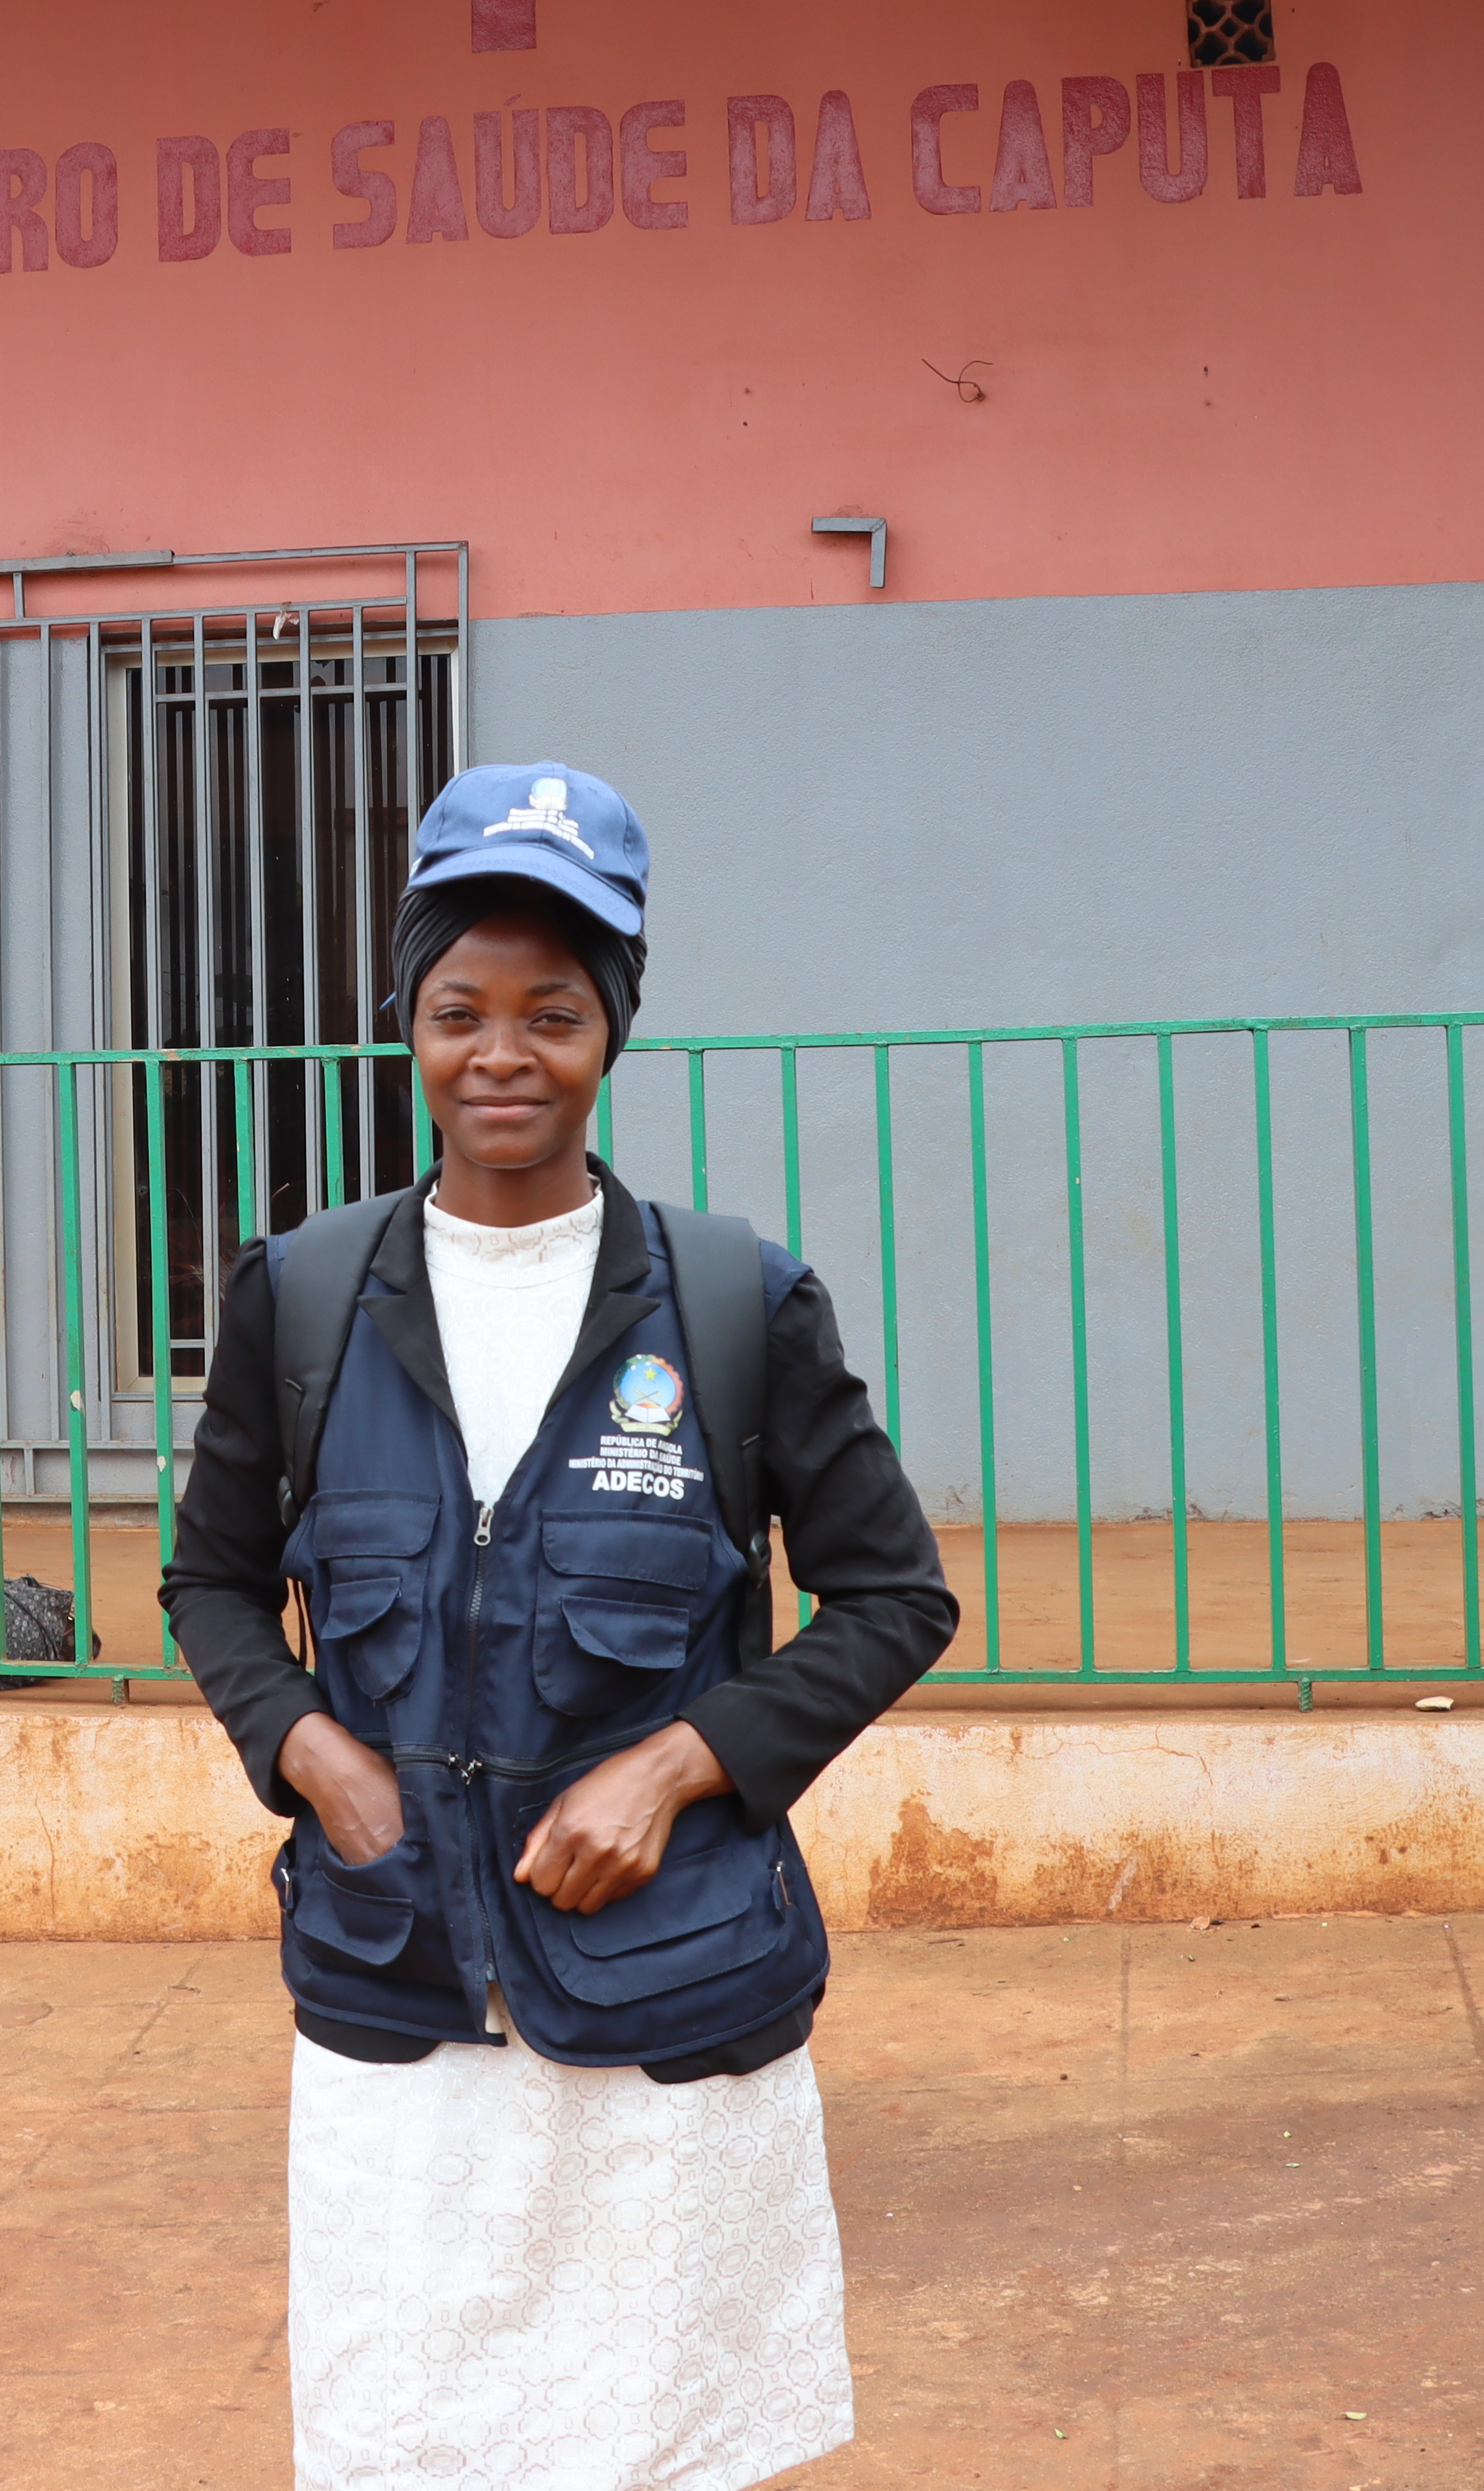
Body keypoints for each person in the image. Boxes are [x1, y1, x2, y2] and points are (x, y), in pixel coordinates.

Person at [161, 761, 957, 2491]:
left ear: (615, 1030)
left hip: (667, 2003)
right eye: (461, 1010)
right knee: (411, 2435)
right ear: (410, 1023)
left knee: (660, 2438)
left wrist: (682, 1766)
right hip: (403, 2005)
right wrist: (305, 1750)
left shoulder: (736, 1301)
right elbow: (210, 1581)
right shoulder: (301, 1296)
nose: (503, 1054)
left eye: (555, 1012)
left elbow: (897, 1595)